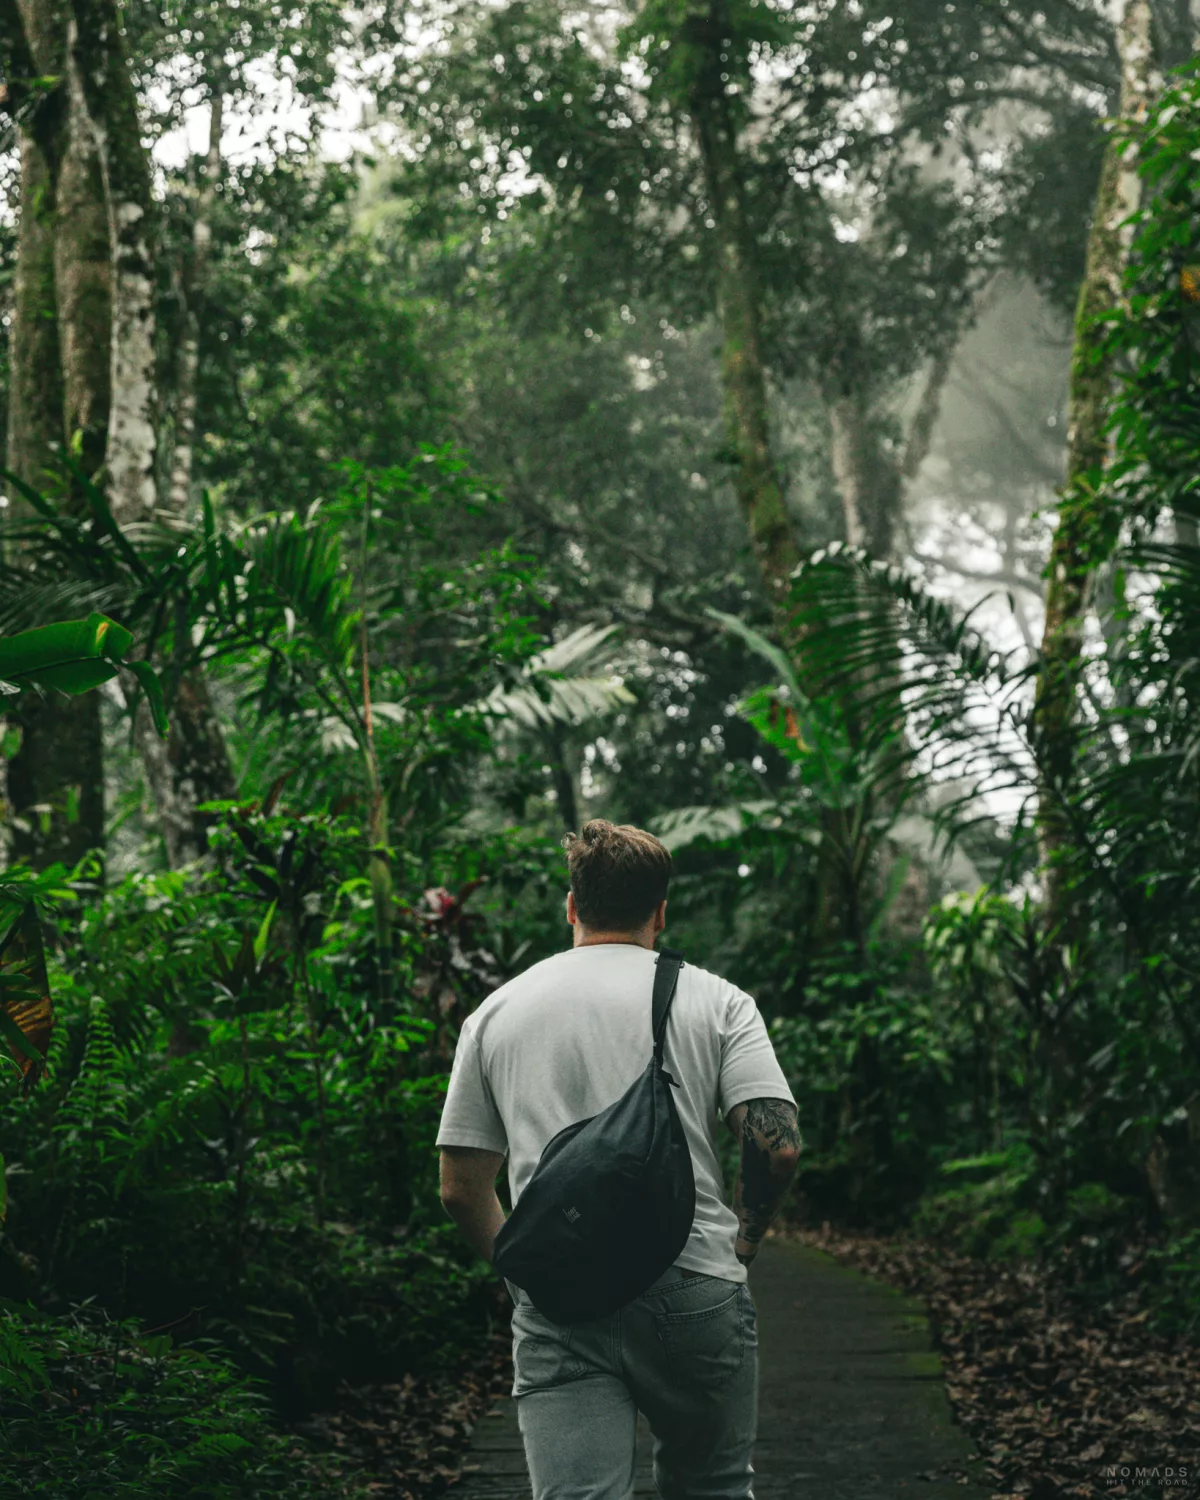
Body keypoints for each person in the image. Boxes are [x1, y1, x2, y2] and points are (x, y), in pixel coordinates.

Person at [436, 819, 801, 1500]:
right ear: (660, 911)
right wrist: (744, 1242)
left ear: (571, 906)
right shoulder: (718, 1001)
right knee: (713, 1487)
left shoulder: (495, 1014)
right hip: (694, 1281)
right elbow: (776, 1147)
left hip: (560, 1299)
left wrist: (526, 1275)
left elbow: (460, 1188)